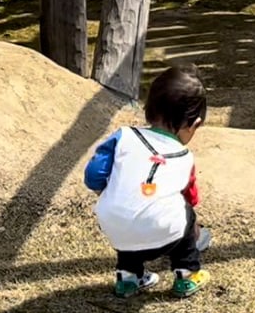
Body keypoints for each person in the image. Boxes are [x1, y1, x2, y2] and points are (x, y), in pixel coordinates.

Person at [84, 63, 211, 298]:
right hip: (166, 232)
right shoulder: (184, 156)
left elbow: (93, 176)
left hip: (113, 226)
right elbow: (190, 197)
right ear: (194, 125)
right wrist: (192, 226)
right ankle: (187, 275)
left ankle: (128, 278)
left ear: (148, 109)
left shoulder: (123, 136)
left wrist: (109, 190)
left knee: (127, 214)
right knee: (184, 213)